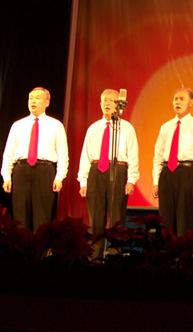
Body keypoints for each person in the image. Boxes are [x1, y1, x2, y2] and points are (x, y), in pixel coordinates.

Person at [78, 89, 139, 258]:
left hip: (118, 170)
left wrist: (131, 179)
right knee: (95, 218)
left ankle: (114, 255)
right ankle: (94, 256)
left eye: (112, 100)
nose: (107, 103)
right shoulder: (93, 128)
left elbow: (133, 154)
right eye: (104, 100)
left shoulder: (126, 128)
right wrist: (83, 180)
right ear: (100, 104)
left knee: (116, 218)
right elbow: (85, 155)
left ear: (119, 105)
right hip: (96, 171)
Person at [1, 87, 69, 232]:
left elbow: (63, 154)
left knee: (42, 217)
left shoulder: (56, 125)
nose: (33, 101)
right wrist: (6, 176)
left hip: (45, 170)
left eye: (38, 98)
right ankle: (21, 245)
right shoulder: (18, 125)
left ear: (47, 102)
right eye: (31, 98)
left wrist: (59, 177)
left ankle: (40, 245)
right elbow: (8, 153)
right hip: (21, 169)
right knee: (20, 216)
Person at [152, 88, 193, 236]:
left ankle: (183, 249)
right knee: (165, 220)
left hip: (187, 173)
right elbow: (158, 156)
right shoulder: (166, 127)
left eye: (182, 99)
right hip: (167, 173)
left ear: (191, 103)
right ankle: (167, 249)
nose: (177, 102)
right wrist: (156, 182)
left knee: (184, 219)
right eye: (175, 99)